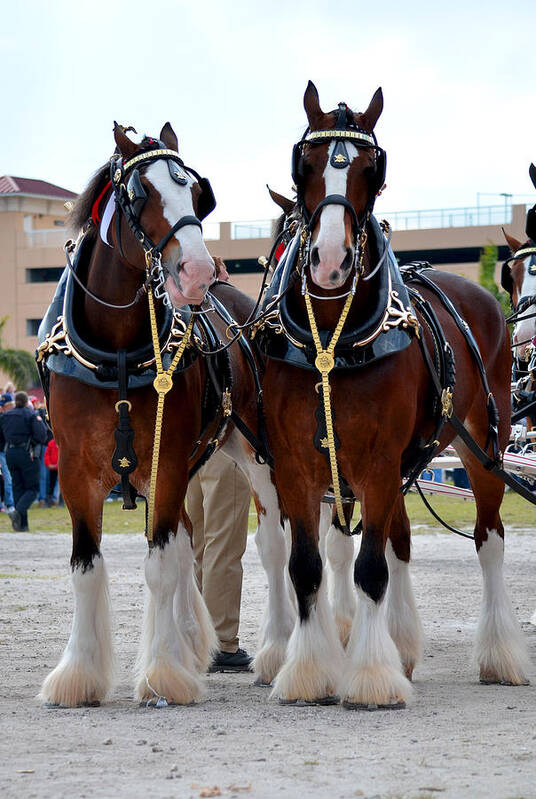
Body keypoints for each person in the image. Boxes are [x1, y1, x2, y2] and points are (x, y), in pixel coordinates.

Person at [187, 448, 253, 672]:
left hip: (198, 441)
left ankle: (195, 633)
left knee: (199, 544)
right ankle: (220, 641)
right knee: (224, 545)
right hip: (225, 444)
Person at [0, 391, 49, 531]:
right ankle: (17, 512)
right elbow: (42, 435)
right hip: (26, 453)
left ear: (15, 402)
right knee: (32, 489)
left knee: (18, 487)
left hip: (9, 453)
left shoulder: (5, 416)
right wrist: (31, 444)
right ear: (26, 402)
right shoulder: (30, 415)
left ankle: (22, 525)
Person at [0, 393, 15, 513]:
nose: (2, 408)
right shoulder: (3, 417)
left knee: (9, 479)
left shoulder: (9, 417)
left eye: (4, 406)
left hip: (8, 451)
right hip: (2, 452)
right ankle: (9, 505)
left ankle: (9, 503)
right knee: (8, 479)